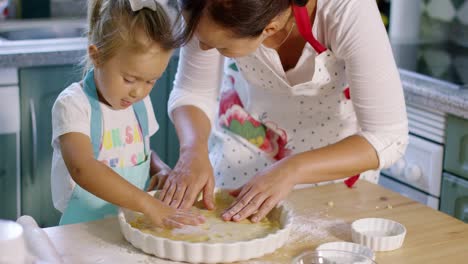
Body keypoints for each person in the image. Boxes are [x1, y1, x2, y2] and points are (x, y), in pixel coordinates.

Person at [159, 0, 409, 223]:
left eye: (221, 47)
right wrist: (192, 149)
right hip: (244, 142)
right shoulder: (205, 5)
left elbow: (387, 136)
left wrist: (292, 169)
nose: (202, 49)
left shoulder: (346, 10)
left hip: (332, 161)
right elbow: (193, 91)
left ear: (269, 28)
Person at [50, 0, 204, 227]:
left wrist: (159, 168)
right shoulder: (73, 105)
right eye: (129, 79)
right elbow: (83, 168)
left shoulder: (139, 103)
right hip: (84, 228)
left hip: (132, 222)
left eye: (151, 81)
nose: (138, 92)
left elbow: (139, 150)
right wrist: (148, 203)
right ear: (97, 56)